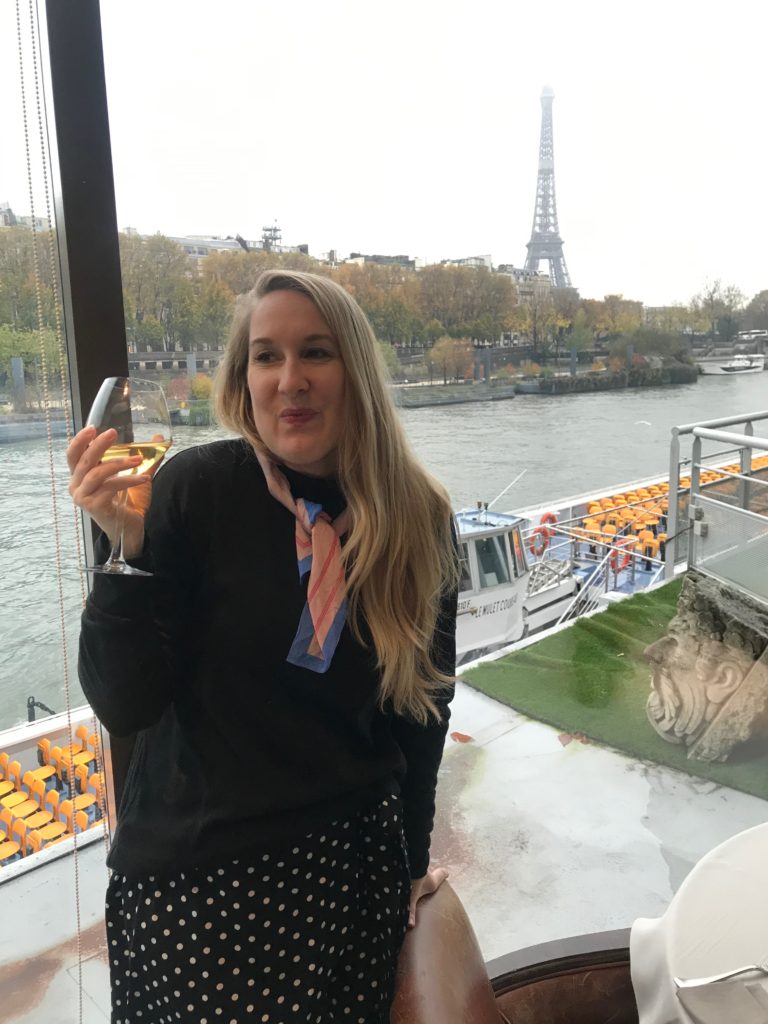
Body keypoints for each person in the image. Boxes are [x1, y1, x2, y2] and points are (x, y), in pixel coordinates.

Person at [67, 270, 459, 1024]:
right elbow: (126, 702)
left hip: (350, 878)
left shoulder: (419, 516)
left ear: (356, 371)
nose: (290, 381)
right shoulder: (194, 490)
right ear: (241, 380)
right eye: (265, 357)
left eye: (315, 352)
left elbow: (423, 712)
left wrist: (412, 861)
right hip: (195, 886)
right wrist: (124, 552)